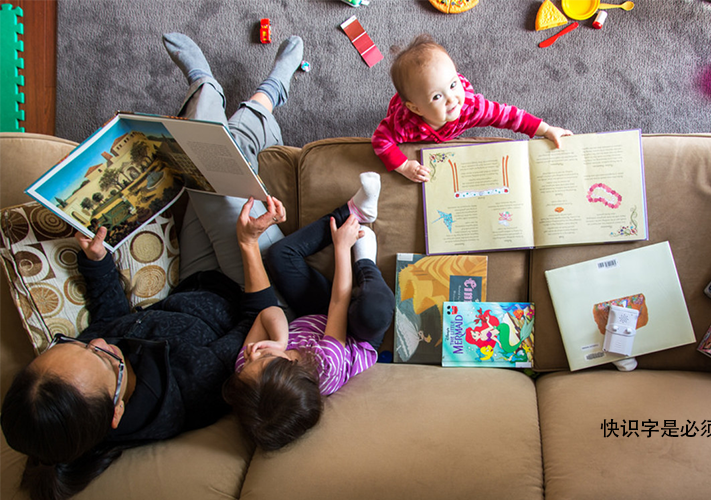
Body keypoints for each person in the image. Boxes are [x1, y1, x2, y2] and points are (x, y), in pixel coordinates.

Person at [0, 32, 304, 500]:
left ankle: (228, 100)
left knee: (210, 161)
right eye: (101, 355)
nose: (97, 342)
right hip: (252, 291)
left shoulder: (79, 391)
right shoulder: (191, 385)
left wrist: (98, 263)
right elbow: (257, 321)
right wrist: (246, 243)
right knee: (209, 153)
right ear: (117, 413)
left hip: (194, 280)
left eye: (73, 344)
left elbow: (106, 323)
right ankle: (252, 90)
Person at [222, 172, 395, 452]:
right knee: (372, 311)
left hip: (313, 319)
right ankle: (365, 258)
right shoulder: (327, 365)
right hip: (352, 337)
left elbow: (267, 313)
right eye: (263, 357)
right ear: (292, 364)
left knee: (279, 256)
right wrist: (343, 248)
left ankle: (354, 210)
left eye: (248, 363)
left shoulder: (248, 373)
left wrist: (277, 343)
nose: (252, 351)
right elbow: (339, 304)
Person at [371, 34, 573, 182]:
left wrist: (546, 129)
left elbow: (509, 116)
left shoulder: (471, 107)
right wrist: (404, 166)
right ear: (416, 109)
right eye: (437, 96)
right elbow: (380, 139)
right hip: (411, 118)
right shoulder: (403, 123)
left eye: (452, 84)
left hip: (453, 118)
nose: (452, 99)